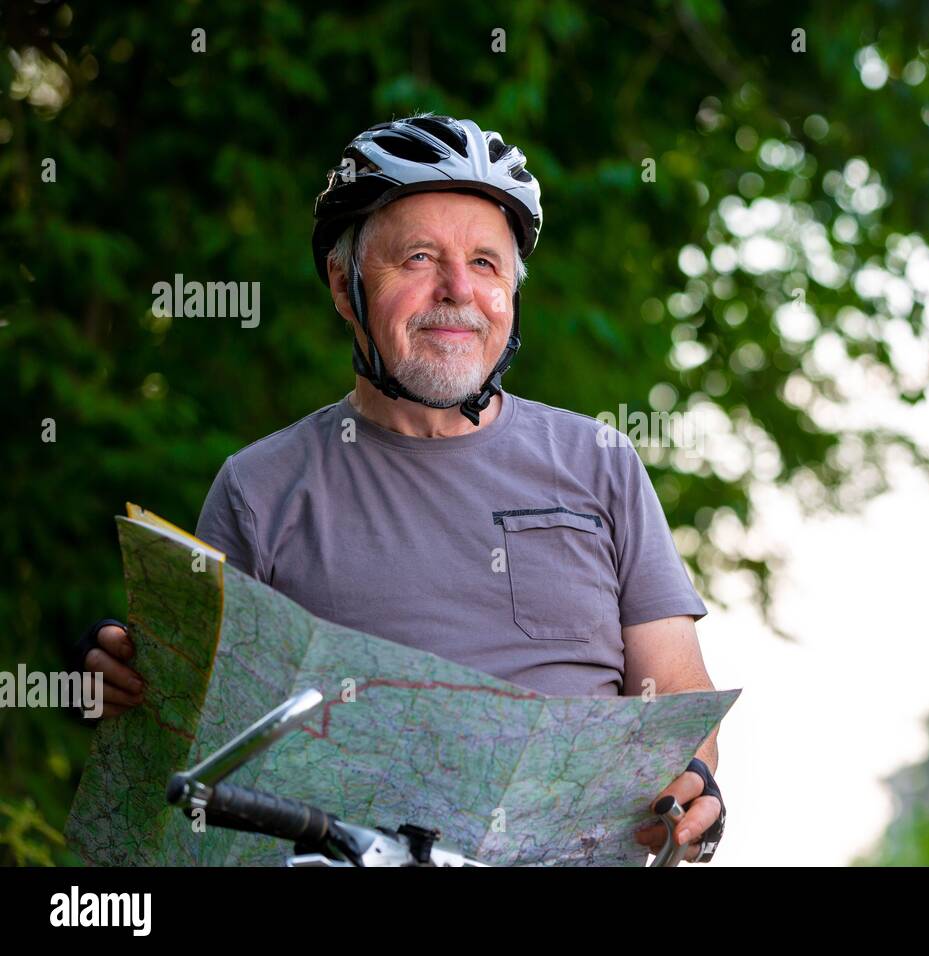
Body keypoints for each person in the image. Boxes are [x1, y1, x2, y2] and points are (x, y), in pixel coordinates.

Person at [70, 114, 726, 863]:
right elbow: (202, 733)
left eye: (485, 263)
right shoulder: (260, 489)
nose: (457, 291)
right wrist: (125, 677)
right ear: (344, 286)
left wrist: (694, 778)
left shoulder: (601, 459)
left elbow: (676, 693)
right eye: (419, 257)